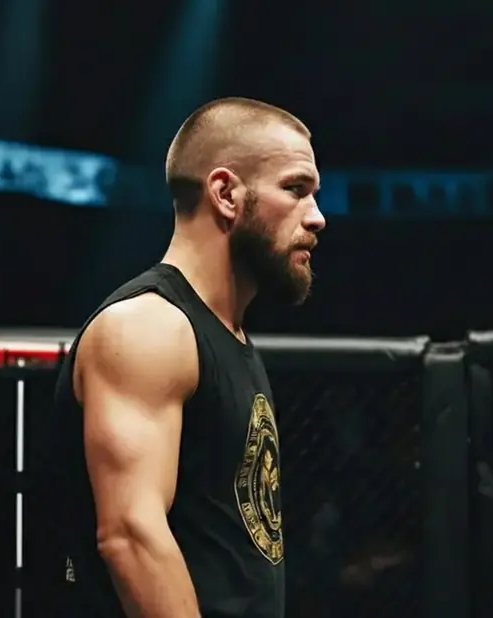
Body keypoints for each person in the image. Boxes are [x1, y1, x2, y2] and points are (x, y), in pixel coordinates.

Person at [31, 97, 325, 618]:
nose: (317, 217)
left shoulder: (224, 334)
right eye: (295, 189)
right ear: (226, 194)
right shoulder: (149, 328)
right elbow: (131, 536)